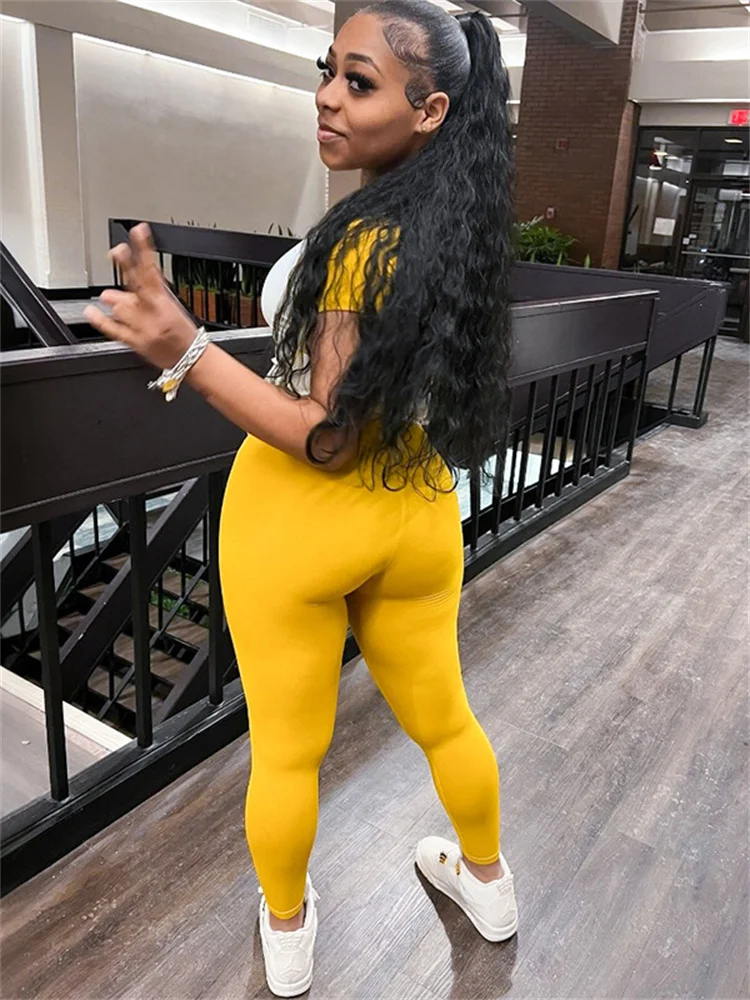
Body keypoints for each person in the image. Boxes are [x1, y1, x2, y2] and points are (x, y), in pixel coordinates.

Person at [85, 1, 518, 995]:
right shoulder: (452, 227)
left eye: (359, 82)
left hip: (300, 522)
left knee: (287, 753)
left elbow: (327, 435)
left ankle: (287, 934)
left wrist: (185, 349)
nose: (326, 96)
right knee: (447, 720)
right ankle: (490, 886)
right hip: (414, 509)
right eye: (328, 70)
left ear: (430, 109)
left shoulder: (361, 241)